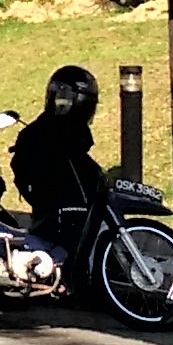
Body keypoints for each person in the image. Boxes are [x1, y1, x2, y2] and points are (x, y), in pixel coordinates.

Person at [9, 62, 112, 265]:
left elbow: (21, 175)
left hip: (50, 213)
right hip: (64, 214)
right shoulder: (59, 135)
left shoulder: (40, 132)